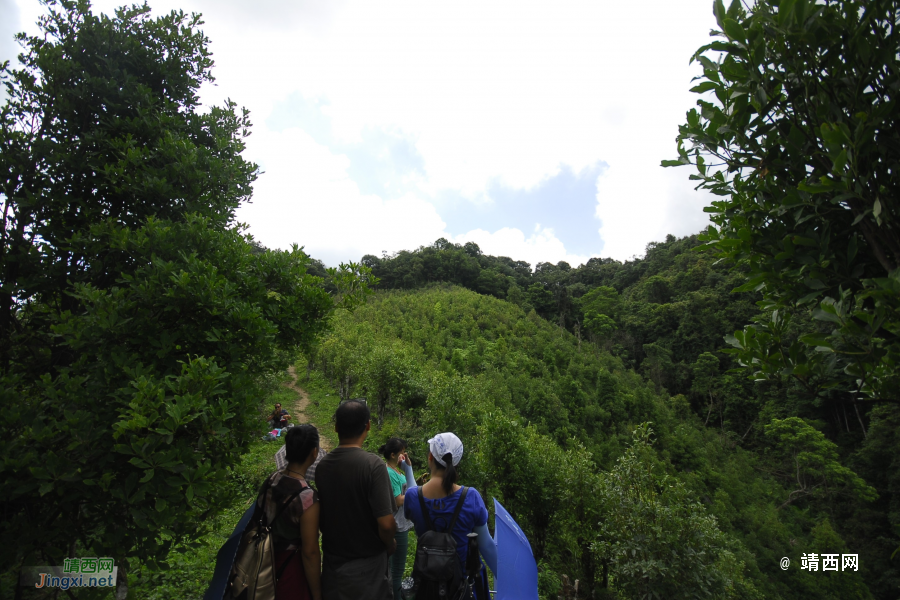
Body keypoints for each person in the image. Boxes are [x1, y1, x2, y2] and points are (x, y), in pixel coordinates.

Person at [315, 399, 397, 600]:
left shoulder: (323, 466)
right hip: (368, 571)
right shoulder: (373, 466)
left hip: (334, 568)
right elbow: (386, 524)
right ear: (368, 426)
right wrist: (390, 544)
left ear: (335, 428)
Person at [403, 432, 497, 599]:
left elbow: (414, 496)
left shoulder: (412, 497)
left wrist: (408, 470)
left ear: (430, 456)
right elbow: (486, 546)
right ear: (457, 462)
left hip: (427, 588)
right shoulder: (471, 497)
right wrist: (505, 578)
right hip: (462, 588)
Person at [257, 424, 323, 600]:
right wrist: (317, 594)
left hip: (263, 560)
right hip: (290, 568)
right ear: (314, 453)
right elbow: (310, 552)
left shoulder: (271, 480)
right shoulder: (308, 497)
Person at [378, 438, 416, 600]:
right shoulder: (389, 472)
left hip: (401, 524)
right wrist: (414, 494)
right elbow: (397, 500)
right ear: (392, 454)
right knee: (397, 570)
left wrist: (409, 469)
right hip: (397, 526)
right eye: (401, 453)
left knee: (395, 569)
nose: (403, 455)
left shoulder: (396, 470)